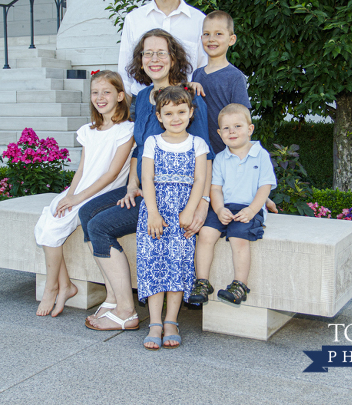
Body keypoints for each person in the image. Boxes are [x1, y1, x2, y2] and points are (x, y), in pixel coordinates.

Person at [80, 28, 214, 333]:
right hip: (141, 189)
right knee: (86, 211)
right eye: (147, 53)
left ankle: (127, 310)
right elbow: (139, 147)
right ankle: (114, 296)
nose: (154, 59)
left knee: (100, 226)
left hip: (174, 197)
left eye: (161, 53)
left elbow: (205, 156)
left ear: (173, 58)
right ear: (140, 61)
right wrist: (130, 183)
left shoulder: (190, 98)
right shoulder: (141, 98)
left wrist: (203, 203)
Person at [33, 71, 134, 317]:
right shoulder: (88, 130)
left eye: (106, 92)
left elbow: (111, 173)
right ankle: (64, 285)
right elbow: (81, 169)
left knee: (53, 226)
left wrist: (78, 199)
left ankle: (52, 287)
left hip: (103, 192)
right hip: (81, 188)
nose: (100, 97)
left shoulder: (126, 130)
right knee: (49, 221)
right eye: (95, 93)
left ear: (120, 96)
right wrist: (70, 193)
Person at [137, 85, 208, 350]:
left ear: (191, 112)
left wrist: (189, 210)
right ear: (159, 116)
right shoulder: (153, 142)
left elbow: (200, 179)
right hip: (155, 214)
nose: (175, 117)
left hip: (182, 213)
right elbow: (147, 178)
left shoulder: (197, 143)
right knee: (154, 264)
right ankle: (154, 322)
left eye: (181, 111)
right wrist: (153, 213)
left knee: (178, 265)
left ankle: (171, 321)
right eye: (169, 113)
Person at [188, 103, 276, 305]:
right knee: (206, 234)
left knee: (238, 237)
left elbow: (265, 187)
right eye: (226, 128)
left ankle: (240, 285)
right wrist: (219, 209)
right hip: (224, 207)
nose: (232, 131)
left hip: (248, 208)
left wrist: (252, 210)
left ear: (250, 129)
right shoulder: (220, 158)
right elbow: (215, 188)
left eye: (238, 126)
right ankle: (202, 282)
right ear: (219, 133)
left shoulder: (260, 154)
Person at [118, 0, 207, 97]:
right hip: (141, 105)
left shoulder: (199, 20)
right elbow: (125, 75)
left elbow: (204, 70)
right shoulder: (134, 19)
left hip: (184, 108)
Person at [191, 10, 251, 154]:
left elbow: (243, 118)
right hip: (199, 150)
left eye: (219, 34)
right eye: (207, 34)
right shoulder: (197, 74)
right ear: (201, 38)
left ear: (231, 39)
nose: (211, 39)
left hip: (224, 151)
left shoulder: (235, 77)